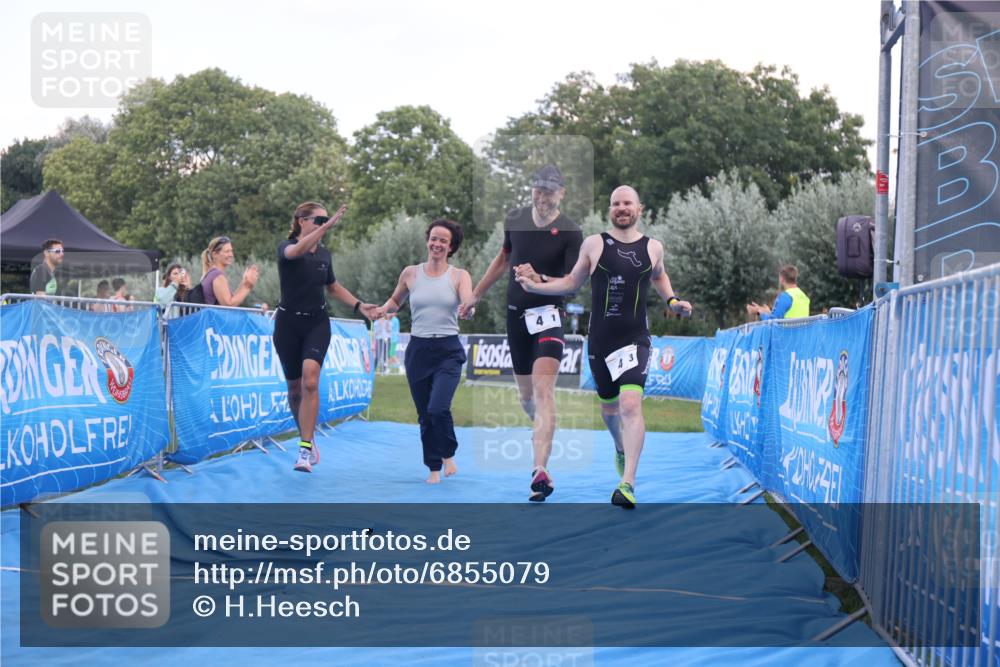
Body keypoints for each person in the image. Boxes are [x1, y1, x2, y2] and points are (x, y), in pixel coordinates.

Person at [515, 185, 692, 509]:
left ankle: (628, 483)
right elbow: (571, 283)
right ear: (610, 209)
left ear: (639, 208)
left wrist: (672, 300)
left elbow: (659, 276)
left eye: (627, 203)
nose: (621, 208)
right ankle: (619, 446)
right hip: (600, 341)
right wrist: (536, 286)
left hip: (636, 338)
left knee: (630, 405)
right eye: (616, 203)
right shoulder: (594, 244)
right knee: (609, 410)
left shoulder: (653, 247)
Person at [461, 165, 583, 501]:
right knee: (527, 397)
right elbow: (503, 260)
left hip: (549, 316)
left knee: (544, 392)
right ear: (531, 190)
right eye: (538, 189)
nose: (542, 196)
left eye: (549, 190)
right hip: (516, 317)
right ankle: (540, 429)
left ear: (561, 193)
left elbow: (572, 283)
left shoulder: (571, 232)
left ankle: (539, 469)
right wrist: (476, 295)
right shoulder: (515, 219)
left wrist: (539, 278)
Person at [275, 202, 378, 473]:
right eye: (319, 220)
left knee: (310, 380)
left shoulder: (324, 254)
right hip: (287, 324)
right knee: (295, 389)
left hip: (317, 323)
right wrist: (327, 227)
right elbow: (296, 252)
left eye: (326, 220)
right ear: (301, 220)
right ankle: (306, 437)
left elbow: (332, 287)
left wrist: (359, 305)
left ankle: (304, 450)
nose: (324, 224)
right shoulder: (286, 247)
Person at [377, 220, 475, 484]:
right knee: (424, 413)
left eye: (443, 240)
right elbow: (395, 301)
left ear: (451, 247)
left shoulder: (459, 275)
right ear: (427, 240)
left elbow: (467, 299)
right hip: (418, 350)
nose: (437, 244)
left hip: (448, 350)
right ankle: (433, 468)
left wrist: (468, 309)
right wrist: (382, 310)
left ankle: (448, 453)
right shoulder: (410, 273)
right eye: (433, 238)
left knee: (438, 407)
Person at [200, 236, 259, 307]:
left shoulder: (212, 273)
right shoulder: (217, 275)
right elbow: (229, 305)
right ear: (215, 254)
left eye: (231, 251)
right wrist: (248, 286)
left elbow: (232, 299)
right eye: (227, 251)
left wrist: (244, 282)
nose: (231, 255)